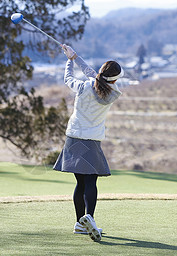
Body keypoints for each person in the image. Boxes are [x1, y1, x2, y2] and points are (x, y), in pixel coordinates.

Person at [53, 44, 124, 241]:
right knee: (91, 180)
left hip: (74, 137)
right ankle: (89, 219)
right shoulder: (112, 92)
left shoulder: (84, 86)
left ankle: (79, 223)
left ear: (101, 73)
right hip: (92, 140)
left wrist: (70, 60)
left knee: (80, 182)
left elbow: (71, 78)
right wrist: (76, 57)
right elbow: (92, 74)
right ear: (114, 79)